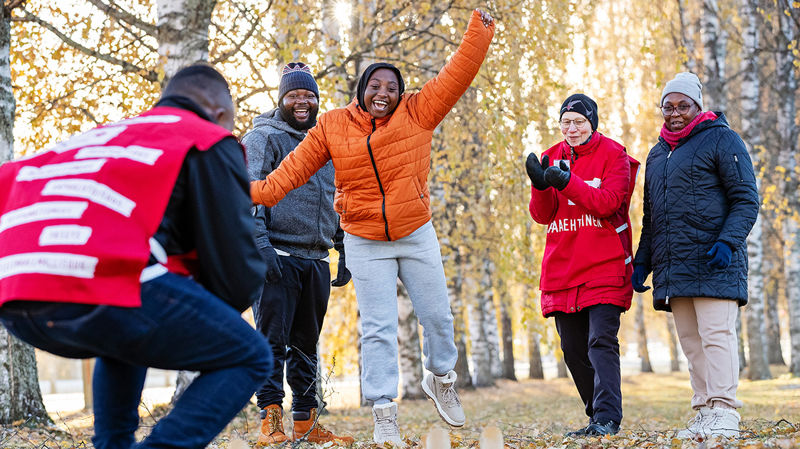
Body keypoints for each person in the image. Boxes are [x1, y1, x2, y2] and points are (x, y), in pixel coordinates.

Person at [250, 9, 495, 446]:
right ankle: (384, 414)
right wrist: (253, 193)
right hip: (364, 238)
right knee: (378, 328)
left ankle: (440, 378)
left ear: (401, 93)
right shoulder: (331, 126)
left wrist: (481, 26)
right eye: (374, 86)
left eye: (391, 87)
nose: (383, 93)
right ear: (361, 91)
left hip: (415, 231)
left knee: (439, 317)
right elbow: (290, 173)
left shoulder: (420, 111)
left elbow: (459, 72)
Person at [0, 64, 270, 449]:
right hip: (96, 277)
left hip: (15, 283)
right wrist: (222, 309)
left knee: (125, 334)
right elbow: (236, 266)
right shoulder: (207, 138)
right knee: (250, 355)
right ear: (219, 113)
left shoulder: (107, 138)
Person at [631, 72, 759, 439]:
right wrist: (643, 260)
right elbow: (651, 218)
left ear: (697, 106)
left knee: (716, 334)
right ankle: (704, 409)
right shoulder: (657, 155)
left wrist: (727, 241)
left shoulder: (722, 138)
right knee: (691, 341)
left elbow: (746, 200)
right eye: (668, 106)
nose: (675, 113)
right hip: (675, 266)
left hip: (715, 258)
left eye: (682, 105)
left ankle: (725, 409)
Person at [242, 62, 353, 446]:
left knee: (307, 343)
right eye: (294, 96)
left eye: (309, 96)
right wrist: (260, 246)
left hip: (316, 258)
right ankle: (270, 420)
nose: (302, 102)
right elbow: (247, 194)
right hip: (276, 254)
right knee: (271, 340)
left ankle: (306, 422)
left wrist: (343, 246)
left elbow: (337, 196)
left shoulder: (326, 142)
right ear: (281, 100)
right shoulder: (263, 137)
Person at [525, 93, 638, 437]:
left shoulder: (613, 155)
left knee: (600, 342)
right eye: (565, 123)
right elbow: (542, 215)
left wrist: (567, 182)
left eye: (578, 122)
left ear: (592, 123)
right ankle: (595, 417)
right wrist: (540, 185)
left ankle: (608, 418)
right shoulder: (551, 156)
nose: (571, 129)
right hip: (563, 269)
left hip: (604, 265)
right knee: (573, 350)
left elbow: (608, 203)